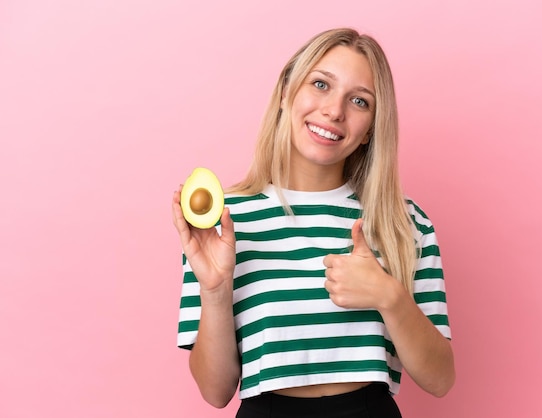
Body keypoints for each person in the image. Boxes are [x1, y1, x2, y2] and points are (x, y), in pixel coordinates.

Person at [172, 27, 455, 418]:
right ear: (287, 92)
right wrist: (216, 290)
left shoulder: (404, 224)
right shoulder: (220, 221)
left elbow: (440, 379)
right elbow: (215, 391)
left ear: (372, 126)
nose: (335, 111)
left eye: (359, 101)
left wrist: (389, 297)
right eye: (320, 84)